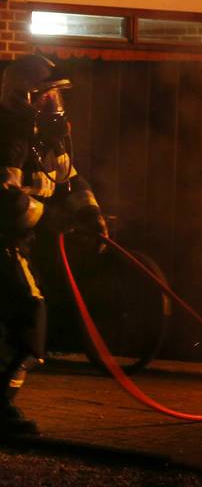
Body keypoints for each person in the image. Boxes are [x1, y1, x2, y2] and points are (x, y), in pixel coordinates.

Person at [0, 55, 109, 435]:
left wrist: (90, 216)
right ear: (23, 97)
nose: (55, 106)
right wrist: (50, 219)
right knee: (30, 312)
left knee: (17, 319)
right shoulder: (9, 138)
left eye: (58, 98)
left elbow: (72, 184)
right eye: (47, 97)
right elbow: (5, 199)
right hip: (3, 242)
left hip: (17, 243)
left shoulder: (46, 141)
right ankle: (1, 408)